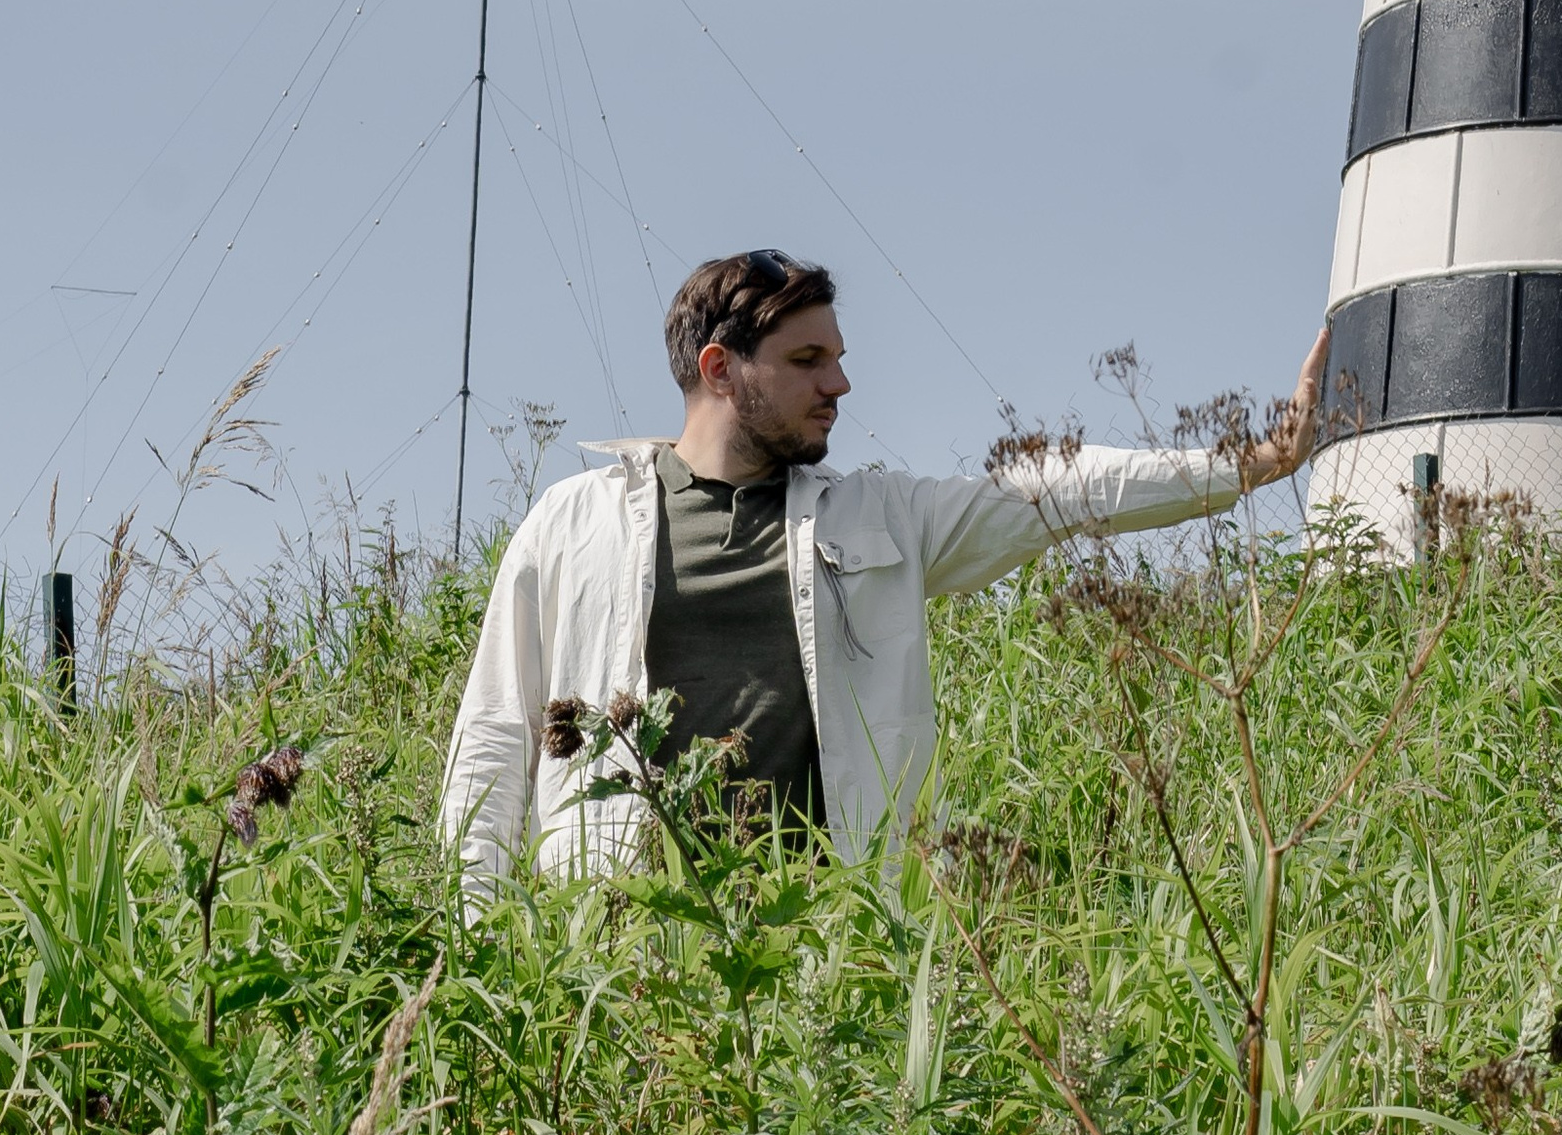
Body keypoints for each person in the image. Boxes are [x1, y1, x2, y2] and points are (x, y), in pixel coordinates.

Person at [438, 248, 1329, 894]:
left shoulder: (878, 516)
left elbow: (1056, 492)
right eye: (806, 361)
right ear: (720, 369)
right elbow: (495, 733)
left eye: (838, 360)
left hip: (819, 945)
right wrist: (475, 940)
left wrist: (1254, 461)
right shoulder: (575, 524)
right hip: (613, 942)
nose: (839, 385)